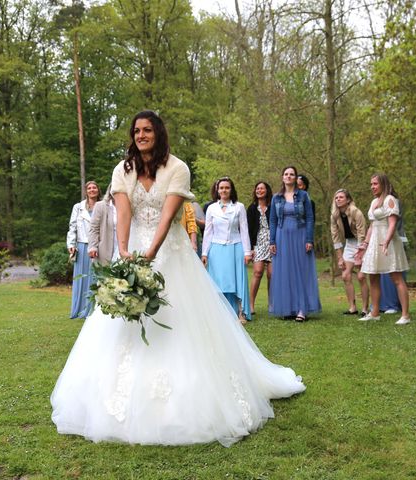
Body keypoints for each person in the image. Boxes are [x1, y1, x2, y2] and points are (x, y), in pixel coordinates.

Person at [51, 111, 305, 447]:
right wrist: (124, 251)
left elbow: (168, 213)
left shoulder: (177, 168)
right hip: (133, 251)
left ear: (158, 133)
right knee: (123, 320)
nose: (141, 135)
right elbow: (124, 211)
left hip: (169, 250)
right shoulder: (123, 169)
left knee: (178, 318)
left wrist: (152, 252)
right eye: (136, 131)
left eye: (147, 130)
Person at [356, 173, 411, 324]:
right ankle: (374, 313)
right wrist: (365, 245)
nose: (372, 187)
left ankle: (405, 315)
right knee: (373, 277)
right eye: (371, 184)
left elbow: (392, 224)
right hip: (375, 243)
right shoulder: (374, 202)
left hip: (389, 242)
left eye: (375, 184)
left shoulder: (390, 200)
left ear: (383, 184)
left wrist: (386, 242)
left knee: (396, 278)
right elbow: (372, 226)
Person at [269, 166, 321, 322]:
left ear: (296, 177)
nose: (289, 176)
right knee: (285, 271)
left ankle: (301, 309)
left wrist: (309, 239)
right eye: (286, 174)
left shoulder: (304, 196)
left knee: (301, 271)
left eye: (291, 174)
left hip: (300, 234)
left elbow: (310, 218)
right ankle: (288, 307)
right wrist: (272, 241)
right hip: (281, 235)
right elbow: (272, 220)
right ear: (282, 177)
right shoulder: (276, 198)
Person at [201, 177, 252, 324]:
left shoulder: (239, 207)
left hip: (236, 247)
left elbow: (244, 230)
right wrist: (204, 253)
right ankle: (219, 313)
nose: (224, 190)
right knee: (219, 280)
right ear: (217, 190)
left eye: (227, 188)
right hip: (216, 249)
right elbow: (208, 232)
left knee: (237, 280)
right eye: (221, 188)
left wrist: (247, 252)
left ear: (231, 190)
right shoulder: (211, 208)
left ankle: (240, 312)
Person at [330, 189, 369, 316]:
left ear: (348, 200)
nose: (338, 199)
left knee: (361, 276)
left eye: (341, 197)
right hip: (350, 244)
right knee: (346, 275)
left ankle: (364, 309)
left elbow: (362, 234)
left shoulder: (356, 212)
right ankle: (352, 308)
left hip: (362, 244)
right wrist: (340, 257)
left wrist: (360, 255)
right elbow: (335, 237)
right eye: (336, 198)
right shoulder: (334, 215)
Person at [67, 180, 101, 318]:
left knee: (95, 278)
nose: (92, 190)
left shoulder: (104, 205)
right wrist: (71, 244)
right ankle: (80, 309)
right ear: (86, 191)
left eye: (94, 188)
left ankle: (94, 309)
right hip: (82, 246)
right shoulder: (78, 207)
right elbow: (72, 226)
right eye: (89, 188)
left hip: (99, 246)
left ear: (98, 190)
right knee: (81, 279)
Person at [246, 181, 273, 314]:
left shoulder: (273, 206)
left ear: (267, 191)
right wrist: (250, 247)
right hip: (258, 242)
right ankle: (250, 304)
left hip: (273, 242)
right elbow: (248, 230)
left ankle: (272, 304)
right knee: (257, 272)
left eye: (262, 189)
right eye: (257, 189)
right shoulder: (251, 208)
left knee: (271, 274)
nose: (259, 191)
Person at [88, 185, 118, 265]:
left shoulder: (128, 206)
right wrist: (93, 247)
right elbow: (94, 229)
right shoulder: (100, 206)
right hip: (105, 250)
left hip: (124, 250)